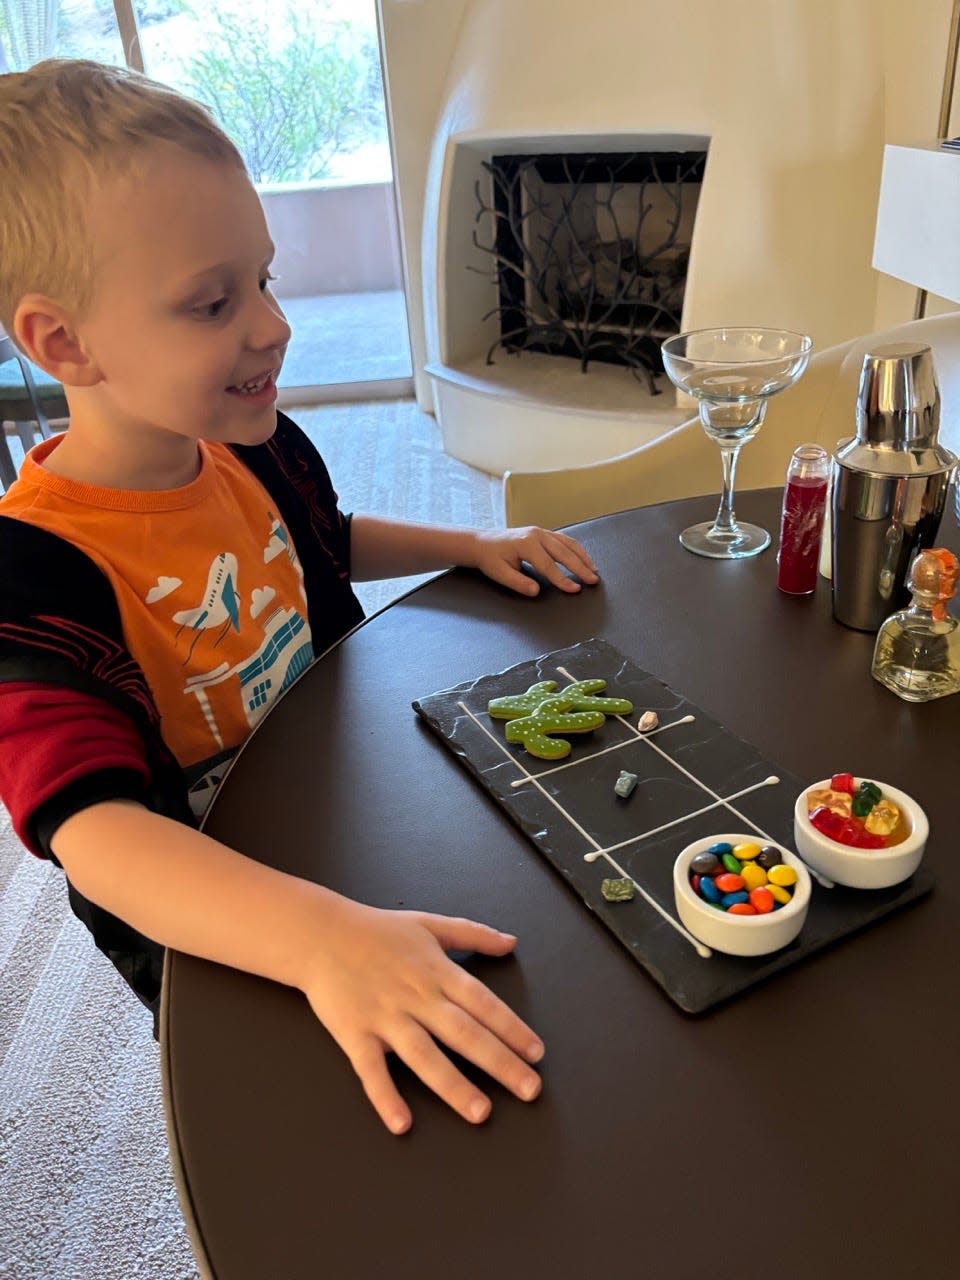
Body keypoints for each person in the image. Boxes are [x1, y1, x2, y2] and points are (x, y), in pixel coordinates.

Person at [0, 59, 599, 1135]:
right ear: (62, 341)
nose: (274, 325)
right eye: (214, 300)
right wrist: (320, 937)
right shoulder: (28, 577)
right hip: (217, 909)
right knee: (302, 1113)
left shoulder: (248, 449)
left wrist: (467, 539)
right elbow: (95, 832)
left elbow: (319, 547)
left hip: (343, 805)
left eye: (265, 279)